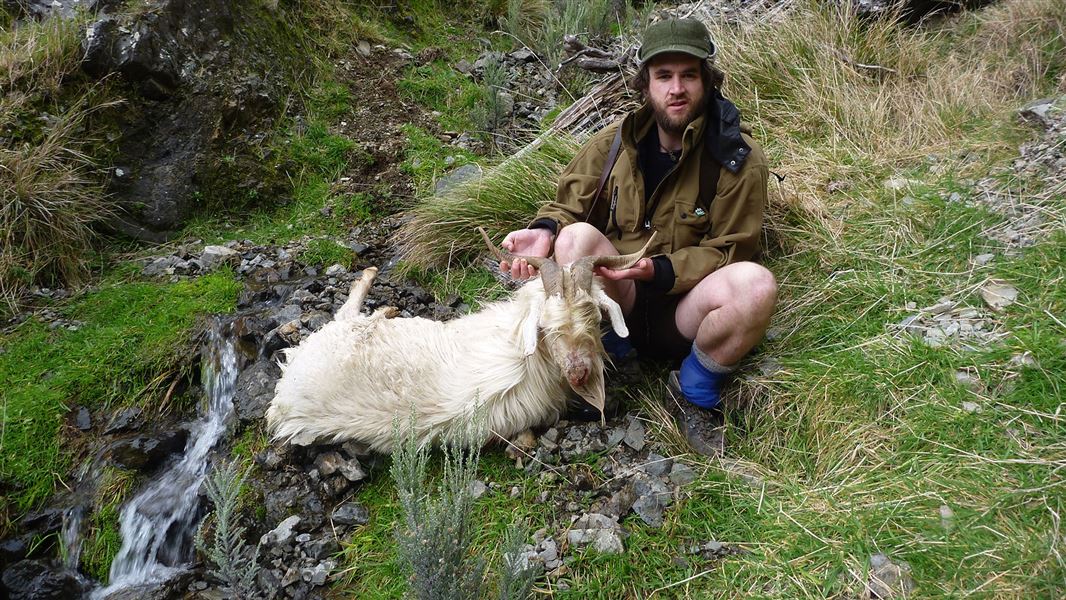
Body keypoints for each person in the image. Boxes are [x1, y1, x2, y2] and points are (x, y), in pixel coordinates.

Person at [498, 18, 777, 455]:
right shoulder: (613, 144)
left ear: (707, 80)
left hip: (684, 312)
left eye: (688, 74)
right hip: (617, 301)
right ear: (645, 83)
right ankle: (602, 360)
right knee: (575, 241)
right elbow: (567, 206)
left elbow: (733, 249)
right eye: (663, 76)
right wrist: (542, 232)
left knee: (756, 284)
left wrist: (663, 271)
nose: (676, 88)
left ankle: (694, 390)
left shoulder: (736, 158)